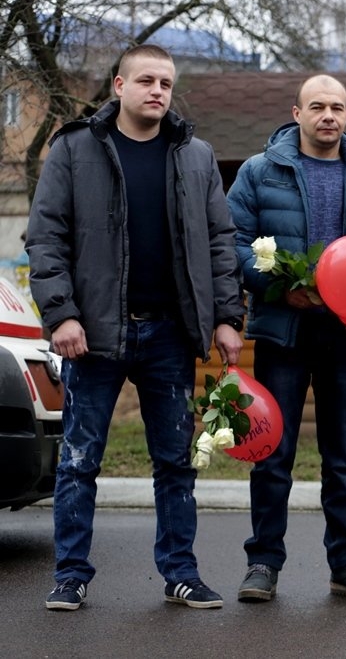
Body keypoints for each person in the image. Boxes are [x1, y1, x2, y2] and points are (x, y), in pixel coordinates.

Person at [26, 44, 245, 611]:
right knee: (79, 462)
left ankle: (180, 572)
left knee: (175, 463)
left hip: (170, 335)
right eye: (146, 80)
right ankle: (70, 575)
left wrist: (227, 317)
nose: (157, 91)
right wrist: (61, 314)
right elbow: (46, 237)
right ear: (119, 86)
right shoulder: (75, 148)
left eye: (166, 83)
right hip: (93, 335)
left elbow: (220, 242)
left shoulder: (195, 155)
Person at [228, 75, 346, 602]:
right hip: (283, 333)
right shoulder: (260, 172)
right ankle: (263, 563)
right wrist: (280, 289)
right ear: (297, 112)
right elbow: (233, 243)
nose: (328, 115)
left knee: (343, 456)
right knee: (272, 454)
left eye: (337, 107)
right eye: (317, 107)